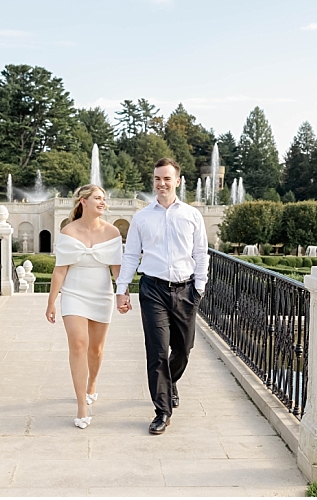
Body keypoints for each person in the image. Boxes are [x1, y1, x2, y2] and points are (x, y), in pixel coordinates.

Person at [115, 158, 209, 434]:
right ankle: (162, 411)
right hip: (153, 289)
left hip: (185, 290)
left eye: (167, 178)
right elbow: (131, 255)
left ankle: (170, 382)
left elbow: (201, 253)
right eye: (157, 178)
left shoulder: (192, 215)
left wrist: (199, 288)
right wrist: (122, 290)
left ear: (177, 181)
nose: (161, 183)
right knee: (157, 352)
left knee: (184, 348)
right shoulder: (142, 217)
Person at [46, 184, 125, 429]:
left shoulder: (112, 233)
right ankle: (81, 405)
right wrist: (51, 302)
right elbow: (60, 269)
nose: (103, 202)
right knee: (79, 344)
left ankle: (92, 384)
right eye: (98, 198)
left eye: (104, 199)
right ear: (83, 201)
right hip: (73, 293)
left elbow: (116, 270)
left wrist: (123, 294)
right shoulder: (68, 231)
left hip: (101, 294)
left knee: (97, 348)